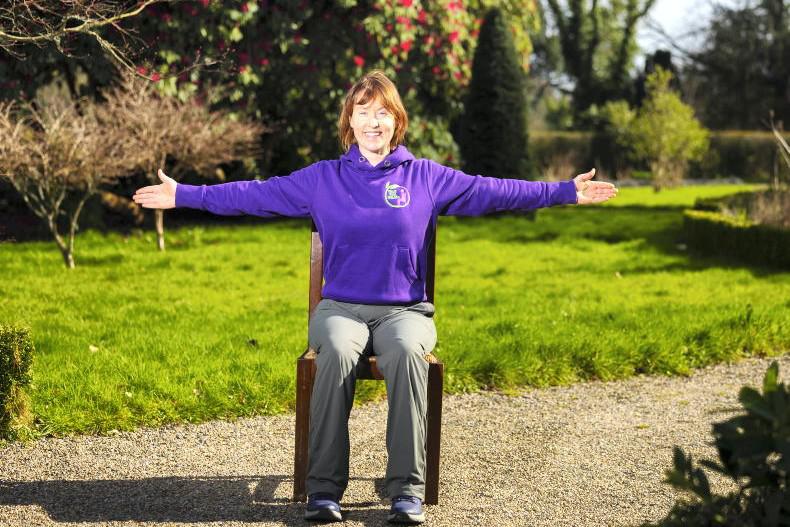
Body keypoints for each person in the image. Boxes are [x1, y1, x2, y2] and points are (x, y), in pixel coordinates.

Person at [132, 69, 618, 524]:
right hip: (340, 309)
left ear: (396, 121)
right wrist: (186, 196)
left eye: (382, 112)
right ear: (350, 121)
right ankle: (323, 490)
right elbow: (255, 194)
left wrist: (562, 192)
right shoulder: (323, 178)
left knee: (408, 352)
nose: (372, 121)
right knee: (339, 350)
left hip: (404, 311)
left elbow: (492, 190)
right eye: (362, 111)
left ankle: (405, 491)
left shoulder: (425, 177)